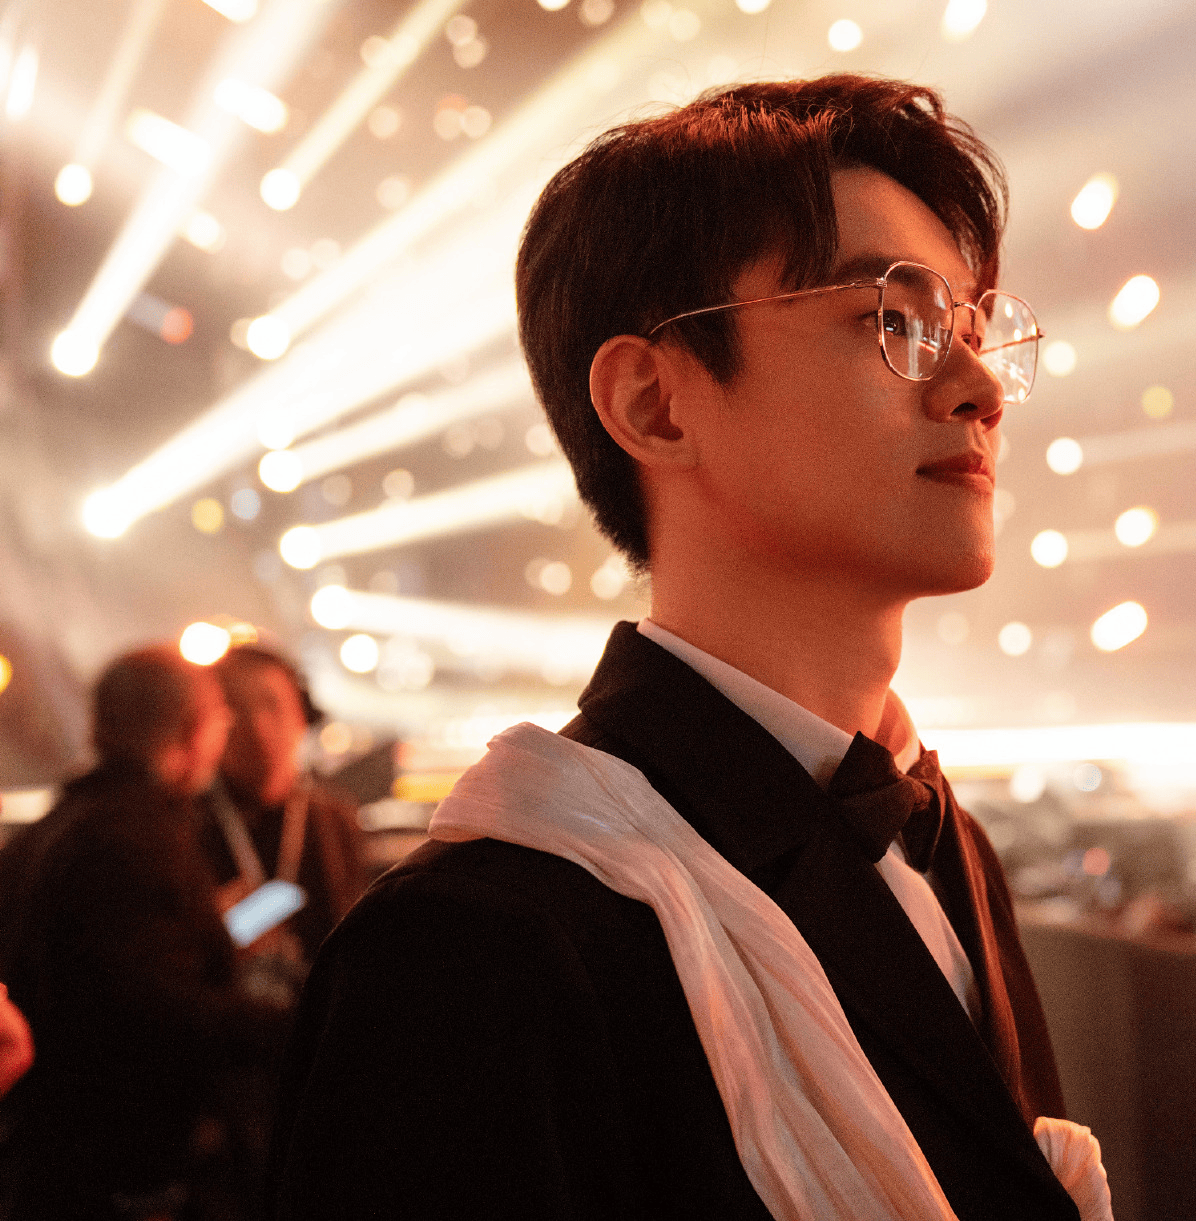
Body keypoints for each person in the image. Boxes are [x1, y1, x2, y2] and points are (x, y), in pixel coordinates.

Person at [272, 76, 1106, 1221]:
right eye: (893, 321)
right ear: (653, 404)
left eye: (970, 330)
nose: (978, 389)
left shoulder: (939, 836)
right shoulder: (479, 944)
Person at [0, 646, 290, 1220]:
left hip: (43, 1151)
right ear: (191, 732)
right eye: (221, 718)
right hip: (116, 1169)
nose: (226, 733)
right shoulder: (137, 838)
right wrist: (298, 1025)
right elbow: (155, 1009)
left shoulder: (52, 829)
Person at [199, 643, 368, 991]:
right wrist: (209, 934)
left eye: (271, 705)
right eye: (235, 709)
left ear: (301, 714)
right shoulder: (185, 822)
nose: (257, 728)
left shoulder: (334, 818)